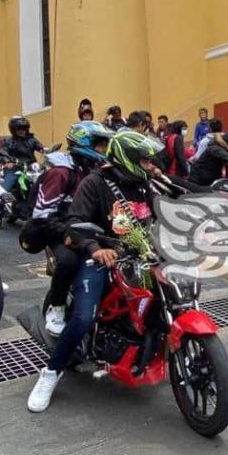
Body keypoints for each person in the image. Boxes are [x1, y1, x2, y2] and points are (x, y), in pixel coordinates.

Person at [27, 131, 164, 413]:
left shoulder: (144, 185)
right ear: (128, 159)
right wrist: (94, 247)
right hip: (103, 257)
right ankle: (51, 373)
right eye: (145, 160)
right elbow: (75, 222)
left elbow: (166, 210)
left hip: (142, 257)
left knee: (166, 299)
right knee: (82, 317)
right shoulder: (96, 182)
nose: (150, 165)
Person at [21, 121, 114, 336]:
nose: (104, 151)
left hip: (86, 228)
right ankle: (57, 307)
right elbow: (42, 214)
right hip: (55, 230)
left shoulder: (95, 170)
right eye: (100, 145)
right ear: (84, 144)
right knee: (69, 261)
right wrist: (69, 233)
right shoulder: (61, 173)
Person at [0, 116, 44, 191]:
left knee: (44, 183)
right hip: (14, 168)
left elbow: (41, 148)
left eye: (23, 128)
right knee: (6, 189)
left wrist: (47, 151)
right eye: (18, 129)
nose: (21, 131)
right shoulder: (8, 140)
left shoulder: (32, 139)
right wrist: (8, 162)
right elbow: (4, 151)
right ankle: (3, 199)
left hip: (31, 168)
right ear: (13, 130)